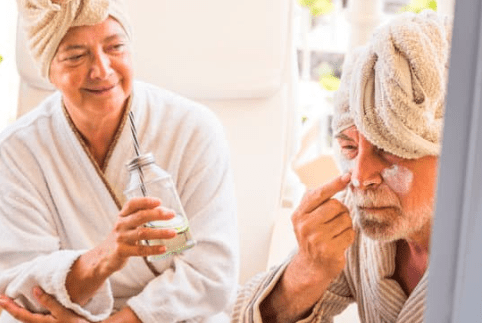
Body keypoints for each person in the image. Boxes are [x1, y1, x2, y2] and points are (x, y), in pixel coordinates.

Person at [0, 0, 238, 322]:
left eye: (115, 47)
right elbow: (20, 286)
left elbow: (212, 275)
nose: (102, 69)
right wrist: (103, 258)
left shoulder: (193, 128)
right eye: (75, 56)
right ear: (49, 72)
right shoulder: (16, 150)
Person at [232, 10, 451, 323]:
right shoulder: (353, 224)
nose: (360, 177)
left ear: (455, 149)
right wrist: (306, 272)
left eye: (389, 150)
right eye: (349, 147)